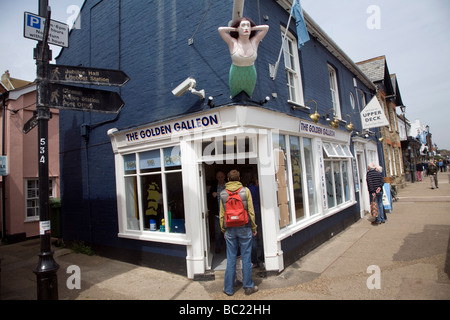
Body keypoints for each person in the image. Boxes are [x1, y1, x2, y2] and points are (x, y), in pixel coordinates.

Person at [220, 169, 258, 296]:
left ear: (228, 179)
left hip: (230, 228)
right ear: (239, 178)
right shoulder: (245, 191)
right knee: (246, 257)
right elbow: (251, 211)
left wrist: (223, 230)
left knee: (231, 258)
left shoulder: (223, 193)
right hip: (245, 226)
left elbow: (222, 215)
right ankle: (248, 286)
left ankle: (229, 289)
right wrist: (254, 227)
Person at [218, 17, 269, 98]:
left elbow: (266, 28)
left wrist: (252, 28)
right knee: (234, 96)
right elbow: (220, 30)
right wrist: (235, 29)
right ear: (238, 28)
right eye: (243, 26)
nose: (246, 28)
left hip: (250, 73)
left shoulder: (254, 41)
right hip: (236, 73)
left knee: (249, 96)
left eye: (248, 26)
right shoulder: (232, 42)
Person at [210, 170, 226, 253]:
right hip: (218, 213)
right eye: (218, 177)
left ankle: (229, 248)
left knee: (228, 231)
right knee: (218, 232)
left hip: (227, 213)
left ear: (224, 177)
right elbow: (209, 198)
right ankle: (218, 247)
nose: (220, 179)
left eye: (221, 177)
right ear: (216, 178)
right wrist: (212, 195)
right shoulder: (214, 187)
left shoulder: (228, 186)